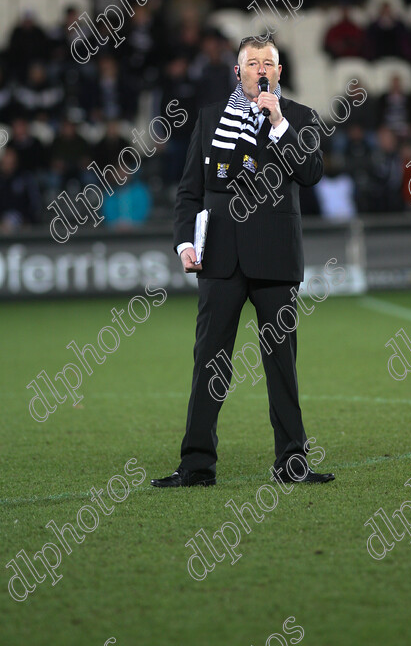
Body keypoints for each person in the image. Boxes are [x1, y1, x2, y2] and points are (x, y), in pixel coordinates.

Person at [151, 35, 335, 488]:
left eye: (266, 62)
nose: (259, 69)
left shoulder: (299, 118)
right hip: (220, 259)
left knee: (281, 367)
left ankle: (292, 463)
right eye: (250, 62)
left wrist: (277, 124)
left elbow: (310, 174)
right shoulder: (211, 117)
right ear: (237, 72)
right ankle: (196, 466)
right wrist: (183, 244)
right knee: (208, 363)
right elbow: (190, 191)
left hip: (275, 257)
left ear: (277, 71)